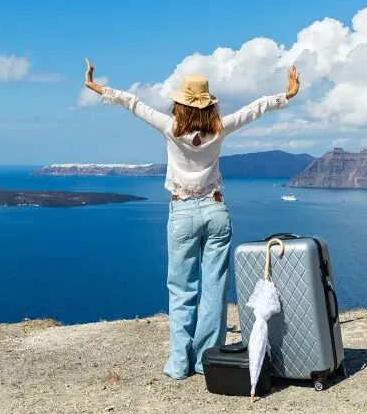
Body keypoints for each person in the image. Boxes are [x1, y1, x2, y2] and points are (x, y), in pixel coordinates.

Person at [83, 59, 300, 380]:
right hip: (215, 211)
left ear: (180, 105)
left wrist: (96, 86)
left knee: (181, 289)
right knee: (214, 290)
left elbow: (133, 103)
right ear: (209, 105)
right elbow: (255, 109)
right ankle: (205, 360)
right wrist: (287, 95)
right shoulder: (221, 128)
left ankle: (179, 364)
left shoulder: (169, 127)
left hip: (182, 211)